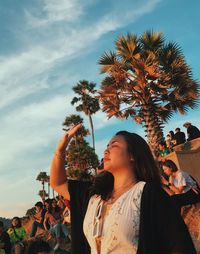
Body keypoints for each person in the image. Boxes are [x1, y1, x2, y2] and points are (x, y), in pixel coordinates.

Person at [50, 123, 196, 254]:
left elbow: (179, 246)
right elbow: (58, 183)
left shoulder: (149, 194)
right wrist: (60, 151)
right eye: (107, 146)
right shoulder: (94, 195)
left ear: (132, 155)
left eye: (113, 146)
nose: (106, 151)